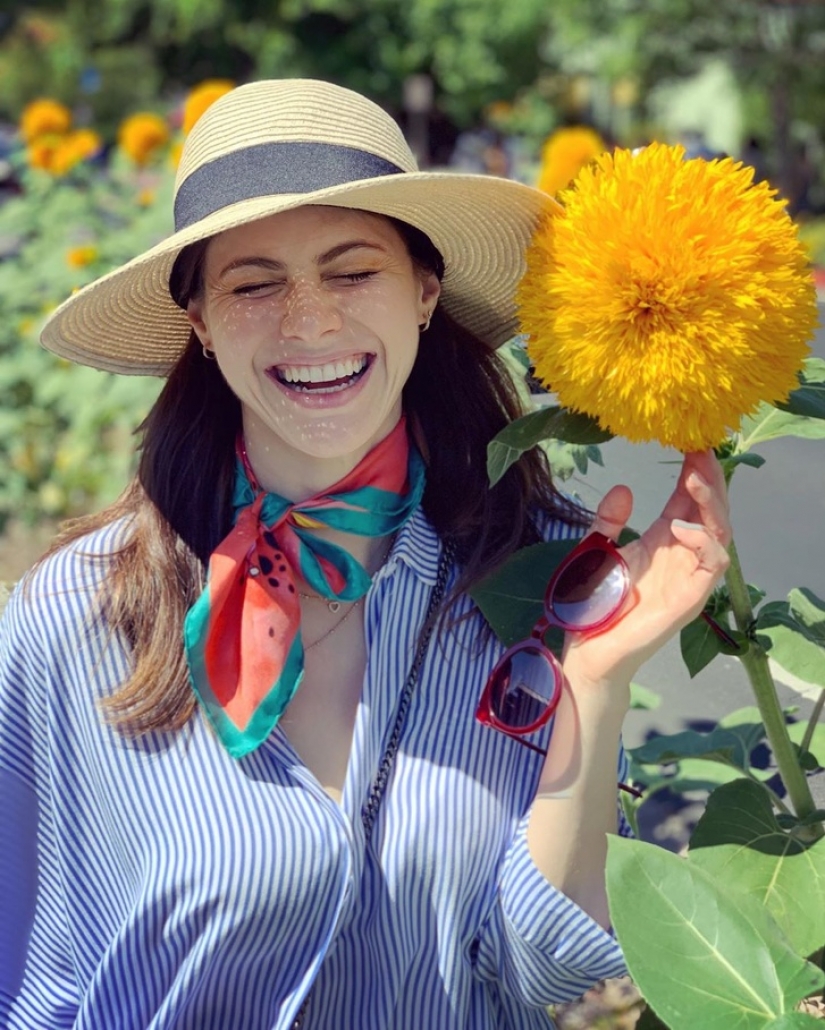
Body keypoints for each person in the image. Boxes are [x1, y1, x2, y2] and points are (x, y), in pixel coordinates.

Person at [0, 79, 731, 1029]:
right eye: (254, 283)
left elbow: (535, 972)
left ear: (425, 293)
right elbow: (32, 980)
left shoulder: (543, 579)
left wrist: (594, 678)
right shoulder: (75, 615)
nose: (309, 322)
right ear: (201, 326)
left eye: (353, 271)